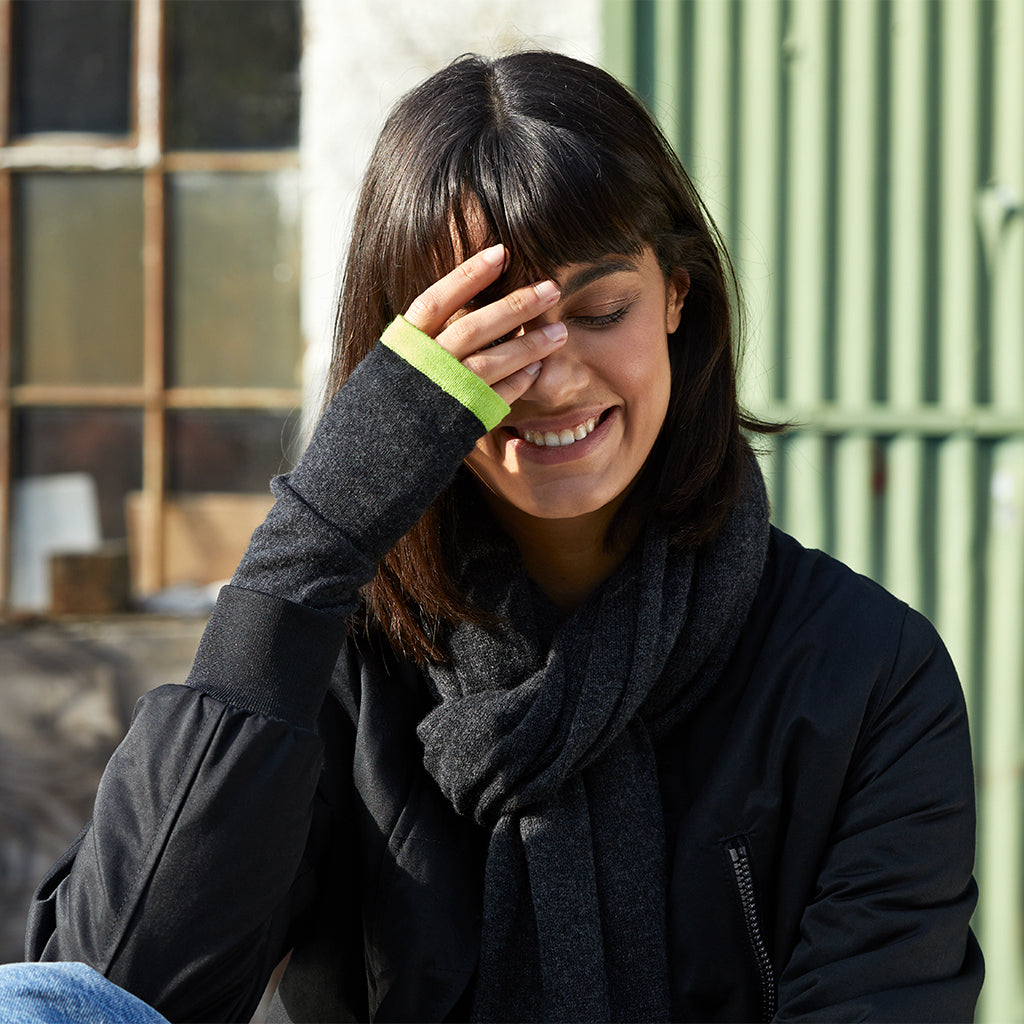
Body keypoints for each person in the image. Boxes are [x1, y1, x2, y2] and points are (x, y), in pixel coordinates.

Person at [9, 50, 981, 1023]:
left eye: (600, 311)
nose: (554, 381)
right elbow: (105, 991)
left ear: (678, 294)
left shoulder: (865, 676)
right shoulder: (342, 661)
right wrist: (313, 537)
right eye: (491, 332)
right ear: (404, 357)